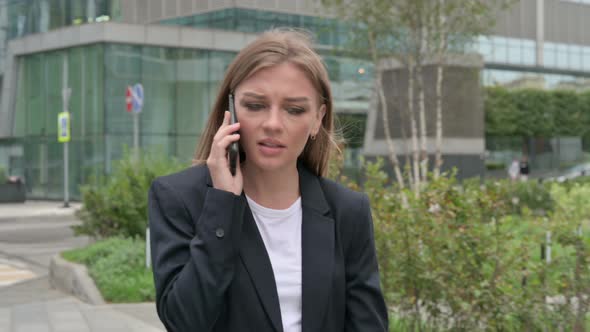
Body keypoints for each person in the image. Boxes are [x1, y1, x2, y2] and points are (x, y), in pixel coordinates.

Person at [148, 29, 388, 332]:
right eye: (256, 105)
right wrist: (222, 205)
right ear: (231, 110)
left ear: (317, 119)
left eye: (295, 109)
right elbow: (184, 321)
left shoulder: (347, 210)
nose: (273, 124)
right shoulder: (179, 198)